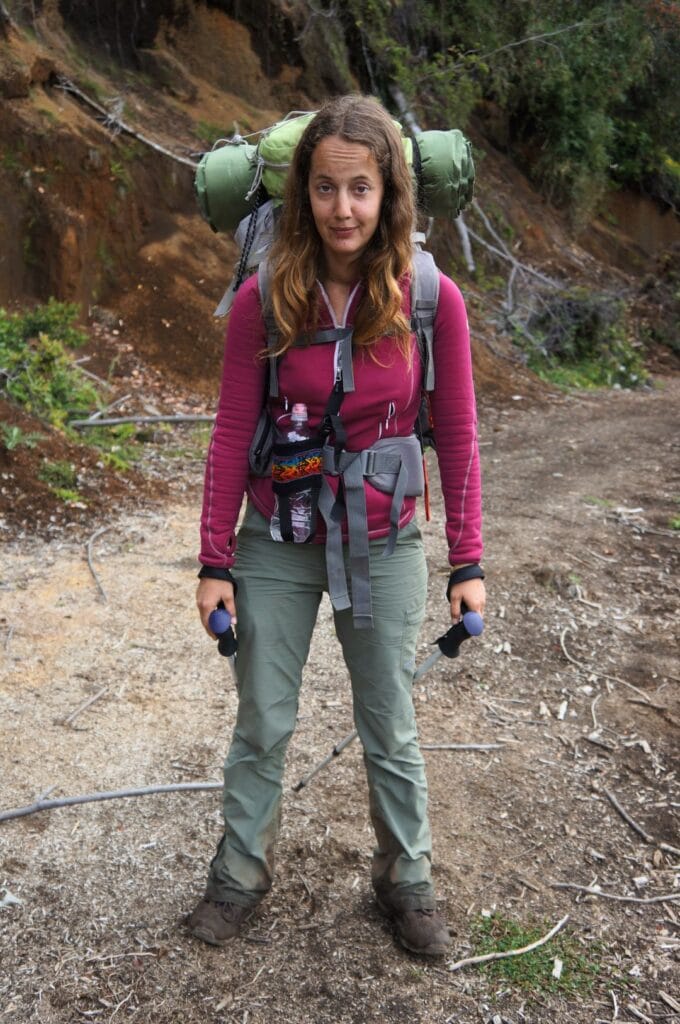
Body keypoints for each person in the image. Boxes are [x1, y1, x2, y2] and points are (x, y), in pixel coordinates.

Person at [188, 94, 485, 958]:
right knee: (263, 721)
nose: (343, 209)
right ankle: (238, 874)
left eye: (360, 189)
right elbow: (230, 430)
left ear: (389, 192)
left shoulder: (430, 298)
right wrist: (213, 560)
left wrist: (468, 559)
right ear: (301, 194)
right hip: (277, 535)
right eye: (325, 189)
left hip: (386, 537)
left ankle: (408, 878)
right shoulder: (261, 299)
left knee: (389, 717)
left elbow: (458, 433)